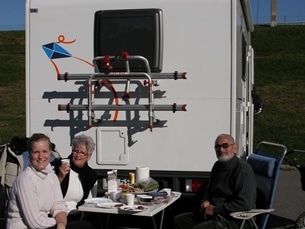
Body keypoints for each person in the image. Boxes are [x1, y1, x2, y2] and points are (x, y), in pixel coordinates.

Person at [6, 133, 94, 229]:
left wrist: (61, 224)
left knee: (86, 226)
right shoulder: (25, 180)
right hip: (27, 226)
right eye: (36, 152)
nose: (41, 156)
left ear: (50, 153)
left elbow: (59, 206)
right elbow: (35, 223)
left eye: (44, 151)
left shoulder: (51, 176)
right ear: (30, 154)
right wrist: (58, 222)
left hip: (46, 224)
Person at [174, 134, 257, 229]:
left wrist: (215, 209)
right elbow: (210, 190)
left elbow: (245, 204)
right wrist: (206, 200)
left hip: (236, 219)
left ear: (235, 148)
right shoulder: (217, 165)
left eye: (225, 146)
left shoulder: (242, 170)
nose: (221, 150)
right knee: (180, 220)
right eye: (217, 147)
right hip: (216, 215)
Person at [53, 134, 97, 221]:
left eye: (82, 153)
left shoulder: (91, 175)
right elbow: (48, 193)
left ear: (89, 156)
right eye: (75, 151)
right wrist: (60, 177)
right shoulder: (59, 166)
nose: (77, 155)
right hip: (56, 215)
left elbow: (90, 202)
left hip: (77, 216)